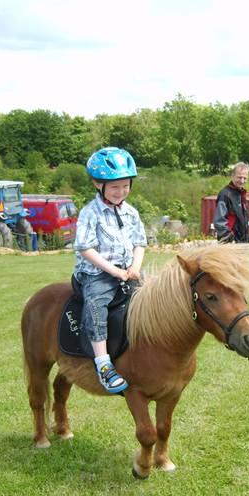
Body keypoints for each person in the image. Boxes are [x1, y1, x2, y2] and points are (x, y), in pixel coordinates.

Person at [73, 147, 147, 394]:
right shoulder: (89, 213)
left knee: (155, 295)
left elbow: (139, 242)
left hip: (128, 271)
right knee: (96, 305)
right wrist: (114, 271)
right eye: (115, 187)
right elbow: (85, 248)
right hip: (97, 273)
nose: (121, 192)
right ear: (97, 184)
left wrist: (135, 267)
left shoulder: (131, 212)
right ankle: (103, 363)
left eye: (125, 186)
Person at [213, 162, 249, 243]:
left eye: (245, 178)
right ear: (232, 176)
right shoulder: (225, 194)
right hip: (230, 244)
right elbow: (219, 221)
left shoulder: (241, 194)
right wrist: (228, 239)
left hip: (243, 242)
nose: (242, 181)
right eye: (239, 177)